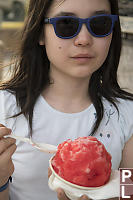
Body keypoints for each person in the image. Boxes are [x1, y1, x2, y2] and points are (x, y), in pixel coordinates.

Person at [0, 0, 133, 199]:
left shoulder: (128, 115)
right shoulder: (4, 108)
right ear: (39, 33)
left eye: (100, 23)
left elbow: (129, 190)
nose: (84, 39)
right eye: (66, 24)